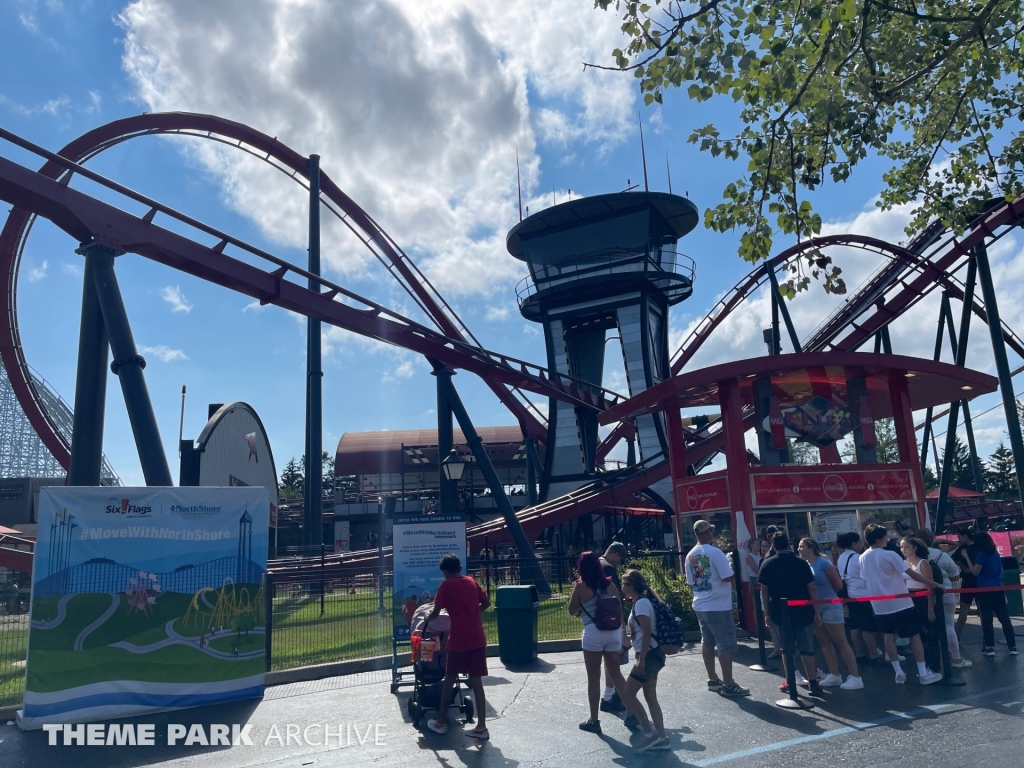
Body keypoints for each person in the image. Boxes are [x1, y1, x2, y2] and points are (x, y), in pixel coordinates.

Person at [859, 524, 944, 685]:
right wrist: (935, 584)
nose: (887, 539)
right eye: (885, 536)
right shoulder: (890, 554)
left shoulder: (862, 557)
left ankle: (898, 672)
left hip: (879, 605)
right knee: (914, 635)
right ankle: (923, 673)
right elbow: (911, 574)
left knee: (888, 636)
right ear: (878, 538)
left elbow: (865, 579)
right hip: (901, 602)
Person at [425, 554, 491, 739]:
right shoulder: (471, 581)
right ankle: (482, 727)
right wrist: (471, 612)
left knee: (449, 679)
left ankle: (441, 722)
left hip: (459, 639)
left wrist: (425, 617)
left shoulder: (447, 585)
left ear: (445, 572)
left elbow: (437, 611)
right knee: (477, 682)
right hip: (477, 637)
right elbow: (486, 602)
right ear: (460, 567)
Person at [685, 520, 750, 696]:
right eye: (711, 531)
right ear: (707, 533)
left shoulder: (690, 555)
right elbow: (728, 577)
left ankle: (713, 679)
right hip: (718, 605)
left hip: (701, 603)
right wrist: (729, 567)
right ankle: (729, 684)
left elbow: (691, 583)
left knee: (707, 642)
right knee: (725, 644)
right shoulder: (715, 552)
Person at [568, 552, 629, 734]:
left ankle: (594, 720)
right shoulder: (610, 584)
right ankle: (632, 711)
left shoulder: (581, 586)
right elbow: (619, 608)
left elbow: (572, 611)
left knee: (593, 678)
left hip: (593, 633)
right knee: (616, 674)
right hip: (613, 632)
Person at [756, 532, 823, 697]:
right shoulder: (801, 563)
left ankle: (790, 680)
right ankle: (813, 683)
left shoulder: (767, 563)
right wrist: (817, 611)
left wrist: (767, 613)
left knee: (787, 649)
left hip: (779, 611)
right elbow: (811, 588)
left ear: (773, 546)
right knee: (807, 648)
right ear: (789, 545)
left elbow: (764, 591)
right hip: (803, 610)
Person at [797, 537, 863, 689]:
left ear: (811, 547)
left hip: (830, 606)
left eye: (802, 546)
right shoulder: (805, 565)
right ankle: (835, 674)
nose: (799, 549)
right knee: (824, 642)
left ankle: (855, 676)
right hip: (815, 608)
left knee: (841, 642)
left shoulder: (823, 563)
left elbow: (838, 584)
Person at [619, 569, 669, 751]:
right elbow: (641, 633)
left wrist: (641, 660)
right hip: (651, 653)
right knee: (650, 696)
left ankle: (650, 732)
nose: (622, 587)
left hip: (648, 655)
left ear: (631, 585)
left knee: (628, 693)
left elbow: (647, 631)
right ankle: (661, 736)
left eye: (624, 584)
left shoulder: (641, 604)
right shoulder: (642, 603)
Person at [916, 528, 971, 668]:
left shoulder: (914, 556)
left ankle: (931, 662)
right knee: (948, 626)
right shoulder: (942, 555)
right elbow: (955, 576)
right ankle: (956, 658)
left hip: (922, 596)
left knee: (926, 629)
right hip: (945, 594)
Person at [962, 532, 1018, 657]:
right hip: (998, 588)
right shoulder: (996, 554)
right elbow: (1001, 571)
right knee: (1004, 618)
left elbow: (975, 572)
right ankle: (1012, 645)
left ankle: (989, 646)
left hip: (984, 590)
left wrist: (966, 557)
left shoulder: (981, 555)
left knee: (987, 619)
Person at [836, 532, 882, 664]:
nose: (862, 544)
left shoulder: (841, 558)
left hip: (850, 595)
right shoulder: (858, 558)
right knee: (868, 628)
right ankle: (874, 655)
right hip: (863, 595)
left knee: (855, 626)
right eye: (860, 542)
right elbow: (869, 575)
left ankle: (859, 654)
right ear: (854, 544)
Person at [899, 537, 942, 675]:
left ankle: (934, 666)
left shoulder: (923, 563)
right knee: (917, 634)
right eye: (901, 547)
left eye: (906, 547)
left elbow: (929, 585)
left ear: (915, 548)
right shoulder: (903, 563)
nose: (903, 550)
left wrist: (930, 609)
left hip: (923, 598)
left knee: (930, 634)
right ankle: (924, 665)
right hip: (909, 599)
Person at [599, 541, 630, 712]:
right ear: (616, 555)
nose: (619, 564)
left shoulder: (596, 563)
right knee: (615, 659)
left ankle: (609, 695)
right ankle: (618, 695)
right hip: (612, 617)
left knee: (608, 661)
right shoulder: (608, 568)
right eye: (620, 559)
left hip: (598, 618)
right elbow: (616, 594)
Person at [951, 529, 978, 638]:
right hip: (968, 581)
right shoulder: (962, 548)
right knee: (963, 612)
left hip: (976, 581)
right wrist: (963, 567)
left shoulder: (977, 547)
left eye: (959, 536)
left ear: (966, 536)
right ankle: (956, 637)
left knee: (981, 611)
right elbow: (953, 558)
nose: (958, 539)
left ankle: (987, 638)